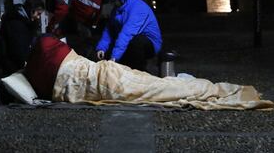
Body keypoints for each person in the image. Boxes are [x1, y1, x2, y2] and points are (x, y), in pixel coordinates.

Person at [24, 36, 273, 111]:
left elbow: (55, 88)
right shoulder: (48, 46)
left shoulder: (40, 71)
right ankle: (207, 88)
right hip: (103, 73)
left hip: (101, 78)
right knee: (153, 85)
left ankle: (208, 88)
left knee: (154, 88)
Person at [95, 0, 162, 71]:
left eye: (115, 0)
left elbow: (126, 34)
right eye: (112, 1)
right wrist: (101, 48)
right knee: (111, 53)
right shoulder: (117, 9)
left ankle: (140, 71)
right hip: (129, 39)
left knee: (134, 42)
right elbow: (109, 30)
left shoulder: (138, 8)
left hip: (151, 43)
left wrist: (114, 58)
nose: (114, 3)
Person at [0, 0, 45, 77]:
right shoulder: (17, 24)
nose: (38, 17)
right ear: (32, 10)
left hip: (13, 63)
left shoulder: (23, 19)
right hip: (12, 67)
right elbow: (18, 52)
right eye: (38, 13)